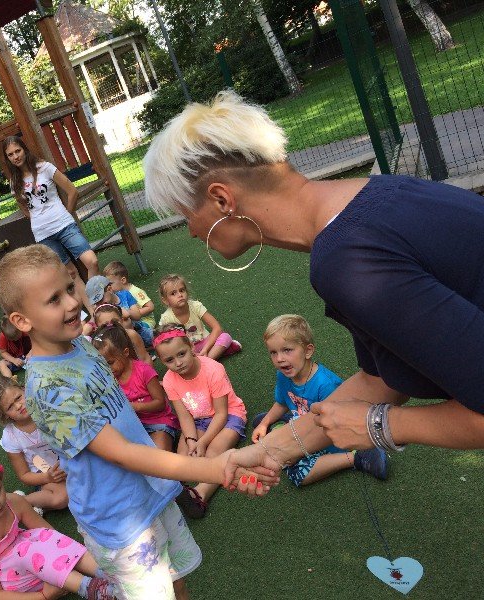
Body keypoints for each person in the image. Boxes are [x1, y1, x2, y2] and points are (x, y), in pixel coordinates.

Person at [142, 89, 484, 471]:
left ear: (222, 199)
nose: (190, 231)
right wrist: (272, 451)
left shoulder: (348, 262)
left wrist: (381, 425)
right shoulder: (374, 194)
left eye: (186, 215)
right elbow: (380, 380)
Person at [0, 244, 278, 600]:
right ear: (22, 321)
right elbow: (121, 453)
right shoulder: (48, 389)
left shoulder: (81, 345)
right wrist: (220, 466)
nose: (72, 303)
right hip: (120, 522)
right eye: (54, 299)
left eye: (69, 288)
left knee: (177, 582)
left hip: (150, 491)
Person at [0, 453, 115, 600]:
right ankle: (93, 590)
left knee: (40, 540)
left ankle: (110, 573)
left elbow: (51, 535)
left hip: (24, 556)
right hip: (5, 583)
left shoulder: (13, 502)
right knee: (27, 550)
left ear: (1, 480)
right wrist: (43, 596)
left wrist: (61, 560)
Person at [252, 315, 388, 486]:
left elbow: (332, 426)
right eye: (273, 352)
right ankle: (284, 426)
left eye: (287, 350)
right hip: (305, 422)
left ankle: (356, 458)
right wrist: (264, 423)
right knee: (264, 426)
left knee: (298, 474)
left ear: (308, 351)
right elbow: (282, 403)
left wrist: (294, 448)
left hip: (329, 434)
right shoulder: (284, 375)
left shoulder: (325, 385)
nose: (279, 358)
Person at [155, 324, 247, 517]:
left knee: (212, 454)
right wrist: (191, 441)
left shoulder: (213, 369)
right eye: (169, 360)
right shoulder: (169, 380)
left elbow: (221, 414)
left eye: (181, 354)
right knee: (183, 457)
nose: (178, 363)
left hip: (229, 415)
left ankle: (200, 494)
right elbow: (184, 416)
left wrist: (203, 442)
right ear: (162, 361)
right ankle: (175, 489)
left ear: (191, 347)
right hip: (198, 420)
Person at [3, 135, 99, 312]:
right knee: (71, 274)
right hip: (43, 234)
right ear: (7, 158)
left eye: (18, 151)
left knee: (91, 261)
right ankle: (94, 313)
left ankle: (99, 304)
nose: (15, 156)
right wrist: (37, 220)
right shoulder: (14, 182)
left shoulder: (44, 168)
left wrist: (67, 213)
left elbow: (72, 191)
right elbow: (24, 207)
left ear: (25, 149)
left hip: (64, 225)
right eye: (10, 154)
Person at [91, 324, 179, 452]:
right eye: (102, 365)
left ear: (125, 352)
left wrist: (136, 407)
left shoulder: (144, 371)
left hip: (159, 421)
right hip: (133, 425)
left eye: (110, 362)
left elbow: (160, 403)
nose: (106, 368)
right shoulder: (109, 378)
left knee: (159, 454)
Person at [0, 377, 68, 512]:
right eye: (10, 407)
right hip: (43, 476)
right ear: (4, 415)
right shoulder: (10, 437)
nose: (18, 406)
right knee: (62, 498)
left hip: (69, 464)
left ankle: (38, 504)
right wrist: (47, 477)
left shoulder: (47, 411)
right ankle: (21, 501)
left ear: (24, 390)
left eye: (18, 398)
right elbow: (24, 474)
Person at [157, 274, 241, 361]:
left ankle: (204, 361)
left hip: (205, 342)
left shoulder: (195, 306)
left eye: (182, 290)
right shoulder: (166, 319)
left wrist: (206, 349)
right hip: (186, 350)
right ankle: (215, 355)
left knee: (225, 336)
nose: (180, 295)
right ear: (165, 300)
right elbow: (165, 344)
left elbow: (217, 328)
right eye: (173, 293)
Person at [85, 275, 154, 347]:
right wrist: (90, 325)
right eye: (96, 302)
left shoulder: (125, 295)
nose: (99, 304)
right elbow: (94, 321)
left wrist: (124, 311)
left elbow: (137, 316)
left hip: (139, 331)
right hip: (117, 340)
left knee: (154, 338)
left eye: (100, 299)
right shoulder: (100, 310)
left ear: (109, 289)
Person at [102, 261, 155, 329]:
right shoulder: (116, 295)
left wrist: (134, 313)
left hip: (145, 321)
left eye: (110, 284)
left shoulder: (135, 291)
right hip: (130, 321)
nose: (108, 287)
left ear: (123, 280)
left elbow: (150, 307)